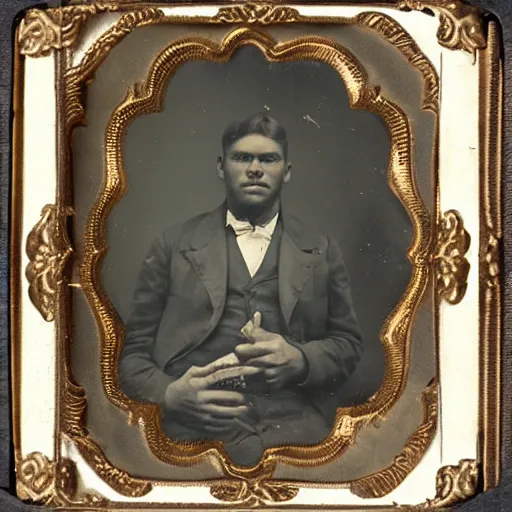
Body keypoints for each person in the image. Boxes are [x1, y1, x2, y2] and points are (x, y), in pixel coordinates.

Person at [119, 113, 363, 466]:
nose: (254, 169)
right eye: (242, 157)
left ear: (287, 170)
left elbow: (349, 345)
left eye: (268, 159)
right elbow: (132, 356)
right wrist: (170, 394)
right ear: (222, 166)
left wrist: (301, 359)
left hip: (295, 427)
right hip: (195, 427)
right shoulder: (173, 244)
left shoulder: (321, 248)